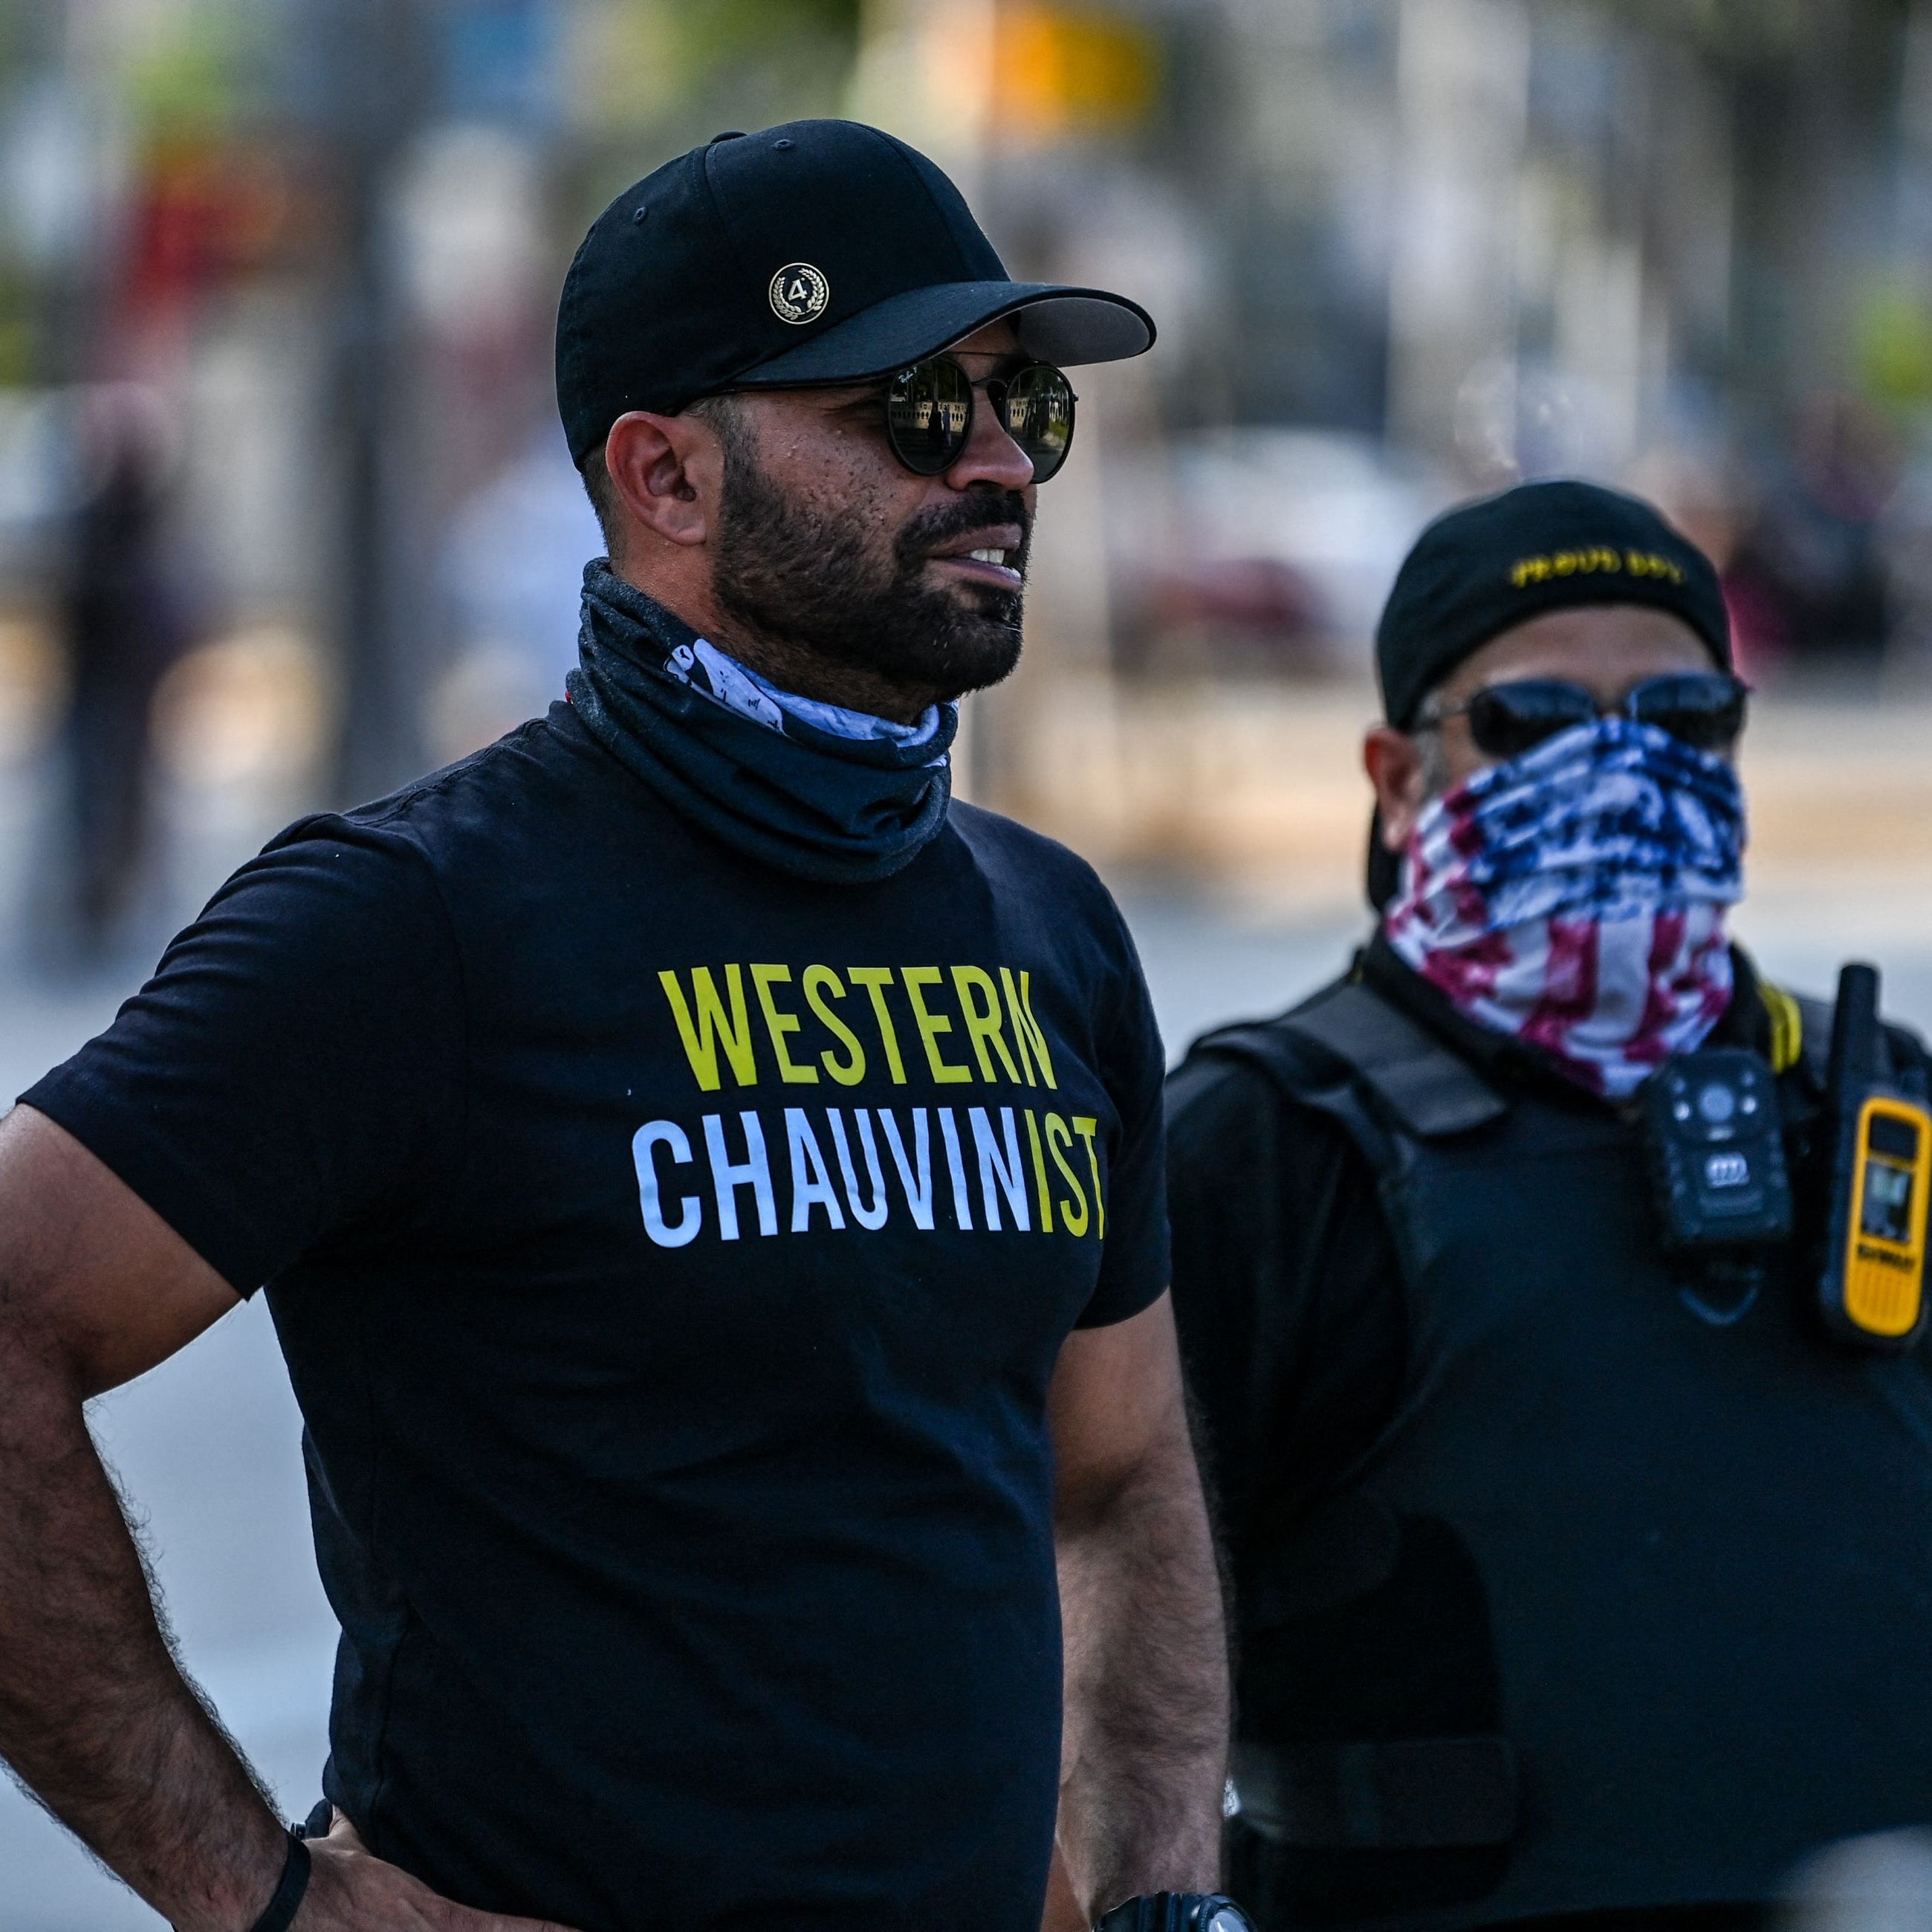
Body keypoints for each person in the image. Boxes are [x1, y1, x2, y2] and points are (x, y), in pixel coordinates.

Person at [0, 121, 1239, 1932]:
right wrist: (268, 1902)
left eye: (1020, 408)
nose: (995, 463)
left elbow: (1117, 1479)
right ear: (666, 476)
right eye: (911, 405)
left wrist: (1153, 1901)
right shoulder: (417, 921)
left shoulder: (1046, 925)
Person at [1165, 479, 1932, 1932]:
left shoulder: (1891, 1119)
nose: (1624, 770)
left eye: (1685, 718)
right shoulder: (1258, 1152)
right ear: (1398, 777)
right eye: (1535, 722)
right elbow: (1081, 1620)